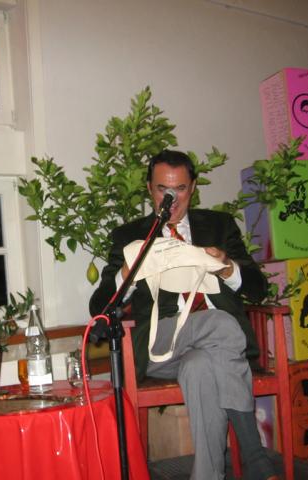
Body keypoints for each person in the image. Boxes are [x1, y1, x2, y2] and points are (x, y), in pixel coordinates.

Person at [90, 150, 278, 480]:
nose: (172, 199)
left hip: (216, 350)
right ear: (150, 189)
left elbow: (258, 289)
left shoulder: (219, 226)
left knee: (200, 365)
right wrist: (129, 272)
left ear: (192, 188)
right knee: (222, 323)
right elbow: (99, 306)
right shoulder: (130, 236)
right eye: (163, 189)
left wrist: (226, 267)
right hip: (158, 345)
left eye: (179, 189)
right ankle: (256, 459)